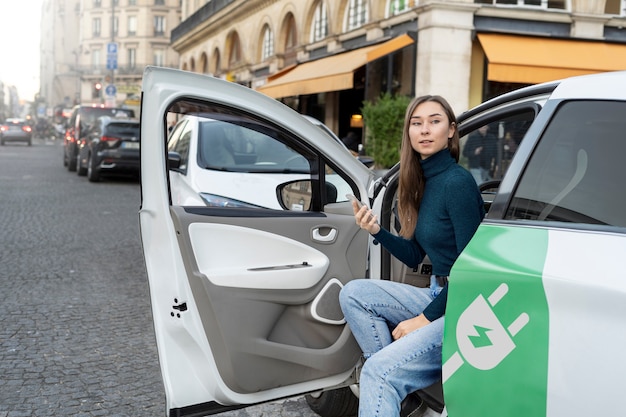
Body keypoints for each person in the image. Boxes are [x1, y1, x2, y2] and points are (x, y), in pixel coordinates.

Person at [339, 95, 485, 417]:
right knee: (353, 293)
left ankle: (390, 380)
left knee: (377, 372)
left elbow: (470, 272)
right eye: (416, 123)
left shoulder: (457, 183)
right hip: (438, 293)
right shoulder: (421, 182)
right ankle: (400, 391)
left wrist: (423, 319)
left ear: (451, 131)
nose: (425, 130)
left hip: (460, 307)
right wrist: (376, 230)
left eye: (435, 121)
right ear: (408, 133)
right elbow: (416, 253)